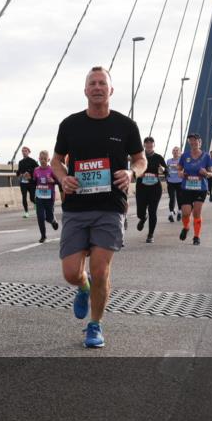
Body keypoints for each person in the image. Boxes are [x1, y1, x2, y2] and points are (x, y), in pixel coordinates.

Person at [52, 66, 145, 349]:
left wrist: (132, 174)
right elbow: (57, 161)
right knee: (70, 272)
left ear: (111, 90)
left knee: (101, 270)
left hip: (110, 206)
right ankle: (83, 287)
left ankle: (95, 325)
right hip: (77, 208)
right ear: (85, 90)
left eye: (102, 83)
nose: (97, 87)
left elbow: (141, 159)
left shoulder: (126, 126)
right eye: (92, 83)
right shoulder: (70, 124)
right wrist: (63, 177)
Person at [176, 133, 212, 245]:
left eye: (195, 141)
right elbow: (179, 169)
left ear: (200, 142)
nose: (193, 143)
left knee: (196, 213)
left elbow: (211, 172)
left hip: (200, 188)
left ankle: (196, 236)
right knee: (186, 213)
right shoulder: (185, 155)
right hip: (186, 188)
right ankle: (186, 227)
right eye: (191, 141)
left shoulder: (206, 156)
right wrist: (180, 173)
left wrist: (206, 173)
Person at [135, 136, 168, 243]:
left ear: (154, 145)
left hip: (155, 188)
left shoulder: (158, 157)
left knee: (152, 211)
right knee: (140, 211)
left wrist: (163, 169)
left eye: (151, 143)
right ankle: (143, 218)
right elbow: (133, 169)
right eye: (147, 143)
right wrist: (137, 173)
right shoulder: (139, 157)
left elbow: (167, 172)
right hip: (141, 188)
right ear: (144, 145)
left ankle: (150, 235)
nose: (149, 145)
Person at [32, 150, 60, 242]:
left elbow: (59, 181)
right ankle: (43, 236)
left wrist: (53, 181)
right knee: (40, 217)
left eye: (45, 159)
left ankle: (53, 221)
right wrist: (29, 179)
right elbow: (33, 182)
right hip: (39, 197)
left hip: (49, 197)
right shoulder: (36, 170)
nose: (43, 160)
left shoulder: (51, 170)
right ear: (39, 159)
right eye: (41, 159)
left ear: (48, 159)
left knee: (48, 217)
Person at [16, 146, 39, 219]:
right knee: (24, 197)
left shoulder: (32, 161)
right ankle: (26, 212)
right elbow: (19, 171)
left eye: (25, 151)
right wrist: (20, 174)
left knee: (32, 198)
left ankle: (35, 204)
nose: (24, 152)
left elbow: (37, 169)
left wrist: (29, 172)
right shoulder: (20, 162)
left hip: (31, 182)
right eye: (23, 151)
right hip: (23, 182)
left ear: (29, 152)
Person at [165, 146, 183, 222]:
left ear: (179, 153)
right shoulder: (168, 161)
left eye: (177, 150)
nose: (175, 152)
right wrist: (167, 178)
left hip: (179, 182)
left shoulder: (182, 161)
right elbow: (166, 170)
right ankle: (171, 213)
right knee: (172, 198)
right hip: (171, 182)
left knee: (179, 198)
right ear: (172, 152)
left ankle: (179, 211)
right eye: (174, 150)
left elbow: (184, 169)